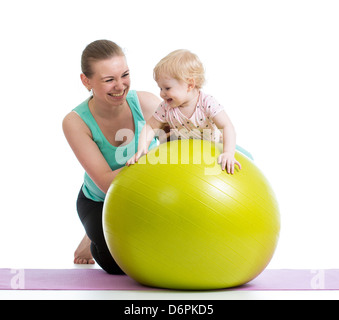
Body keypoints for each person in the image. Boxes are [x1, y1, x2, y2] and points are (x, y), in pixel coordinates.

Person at [62, 40, 161, 273]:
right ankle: (91, 236)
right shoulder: (75, 122)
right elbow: (107, 183)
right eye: (109, 80)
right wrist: (156, 162)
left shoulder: (146, 103)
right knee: (118, 266)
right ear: (86, 81)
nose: (120, 86)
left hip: (147, 196)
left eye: (124, 75)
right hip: (100, 201)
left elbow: (182, 144)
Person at [126, 49, 242, 174]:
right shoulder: (166, 107)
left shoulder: (207, 103)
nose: (161, 94)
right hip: (184, 154)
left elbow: (226, 126)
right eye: (160, 88)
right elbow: (150, 126)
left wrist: (228, 153)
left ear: (190, 84)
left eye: (167, 88)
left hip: (210, 149)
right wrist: (142, 149)